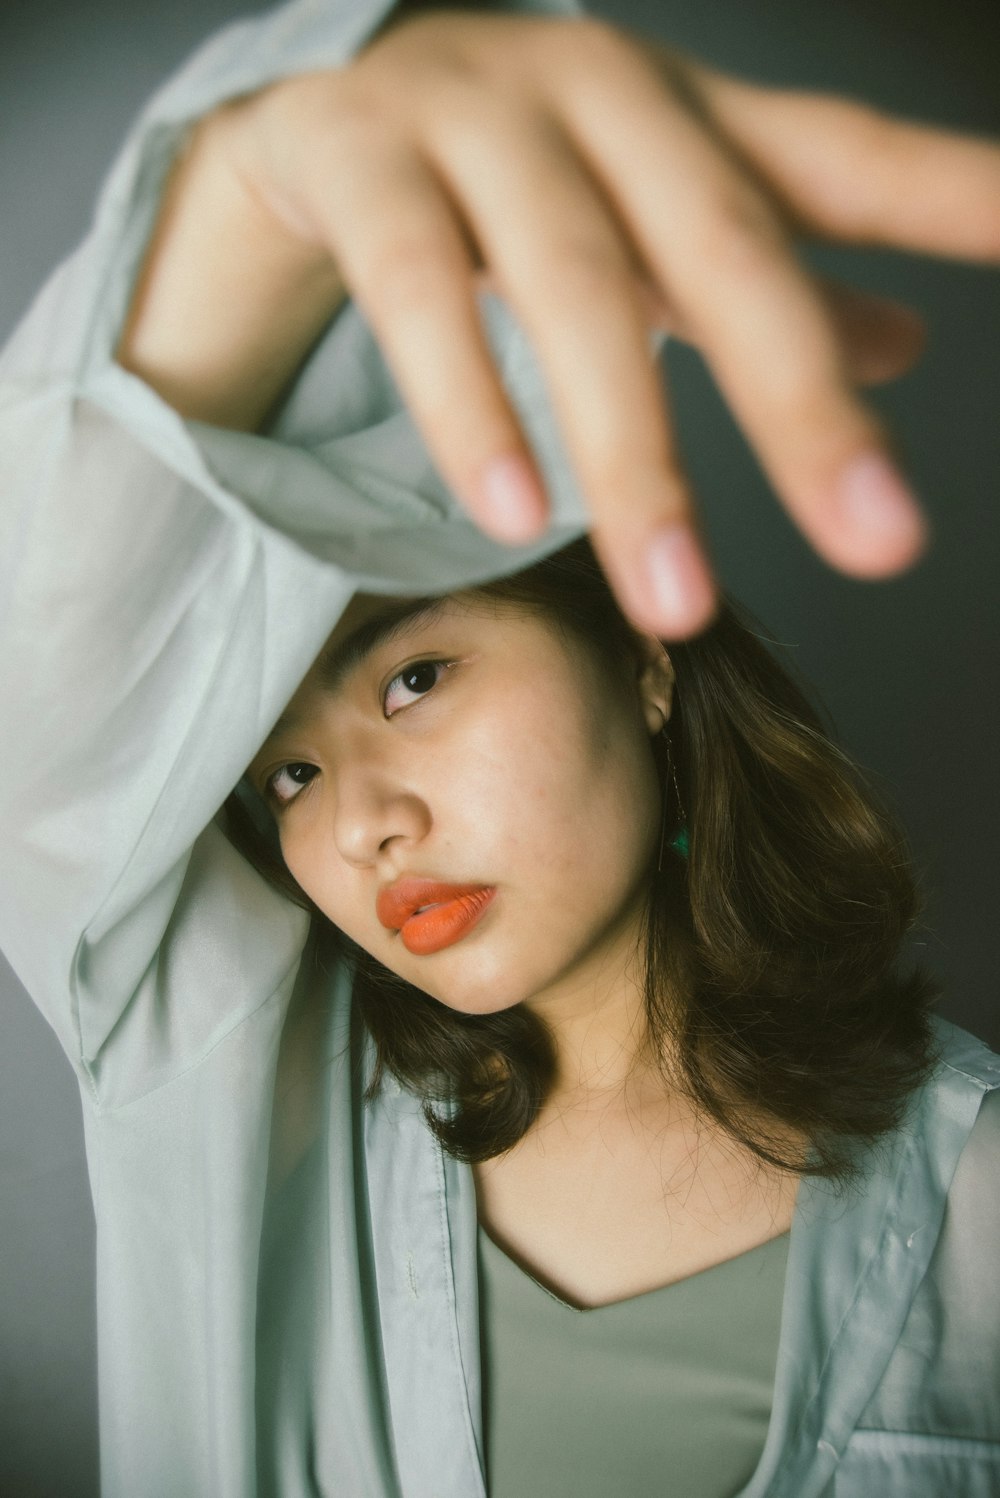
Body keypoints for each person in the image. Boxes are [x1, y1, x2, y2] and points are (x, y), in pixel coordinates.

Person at [1, 1, 998, 1495]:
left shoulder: (976, 1193)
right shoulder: (231, 1093)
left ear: (643, 660)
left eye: (412, 679)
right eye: (287, 772)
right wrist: (258, 188)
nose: (359, 827)